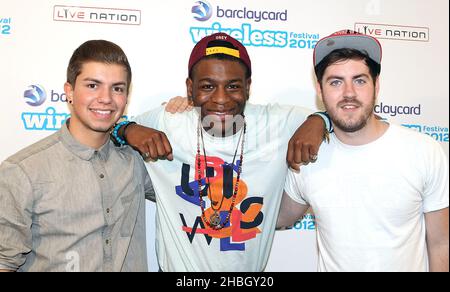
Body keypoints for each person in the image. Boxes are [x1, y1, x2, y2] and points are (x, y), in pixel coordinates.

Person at [113, 32, 331, 272]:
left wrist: (319, 120)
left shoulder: (277, 123)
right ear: (190, 88)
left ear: (248, 87)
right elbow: (105, 125)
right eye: (207, 86)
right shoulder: (168, 122)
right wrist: (127, 128)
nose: (220, 99)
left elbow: (345, 116)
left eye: (233, 86)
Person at [278, 30, 449, 272]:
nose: (349, 93)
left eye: (359, 80)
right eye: (336, 82)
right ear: (319, 90)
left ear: (376, 85)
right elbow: (280, 217)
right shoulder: (308, 158)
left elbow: (442, 243)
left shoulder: (423, 151)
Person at [0, 40, 155, 272]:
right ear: (69, 91)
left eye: (117, 88)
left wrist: (187, 109)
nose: (106, 98)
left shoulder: (137, 162)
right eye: (93, 85)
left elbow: (190, 186)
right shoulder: (23, 171)